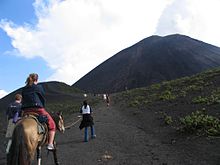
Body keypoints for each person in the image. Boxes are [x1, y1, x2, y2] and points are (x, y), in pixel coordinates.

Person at [21, 73, 56, 150]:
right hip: (37, 109)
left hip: (26, 111)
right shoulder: (38, 87)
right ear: (36, 79)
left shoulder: (24, 89)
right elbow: (42, 97)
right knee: (52, 125)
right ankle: (50, 144)